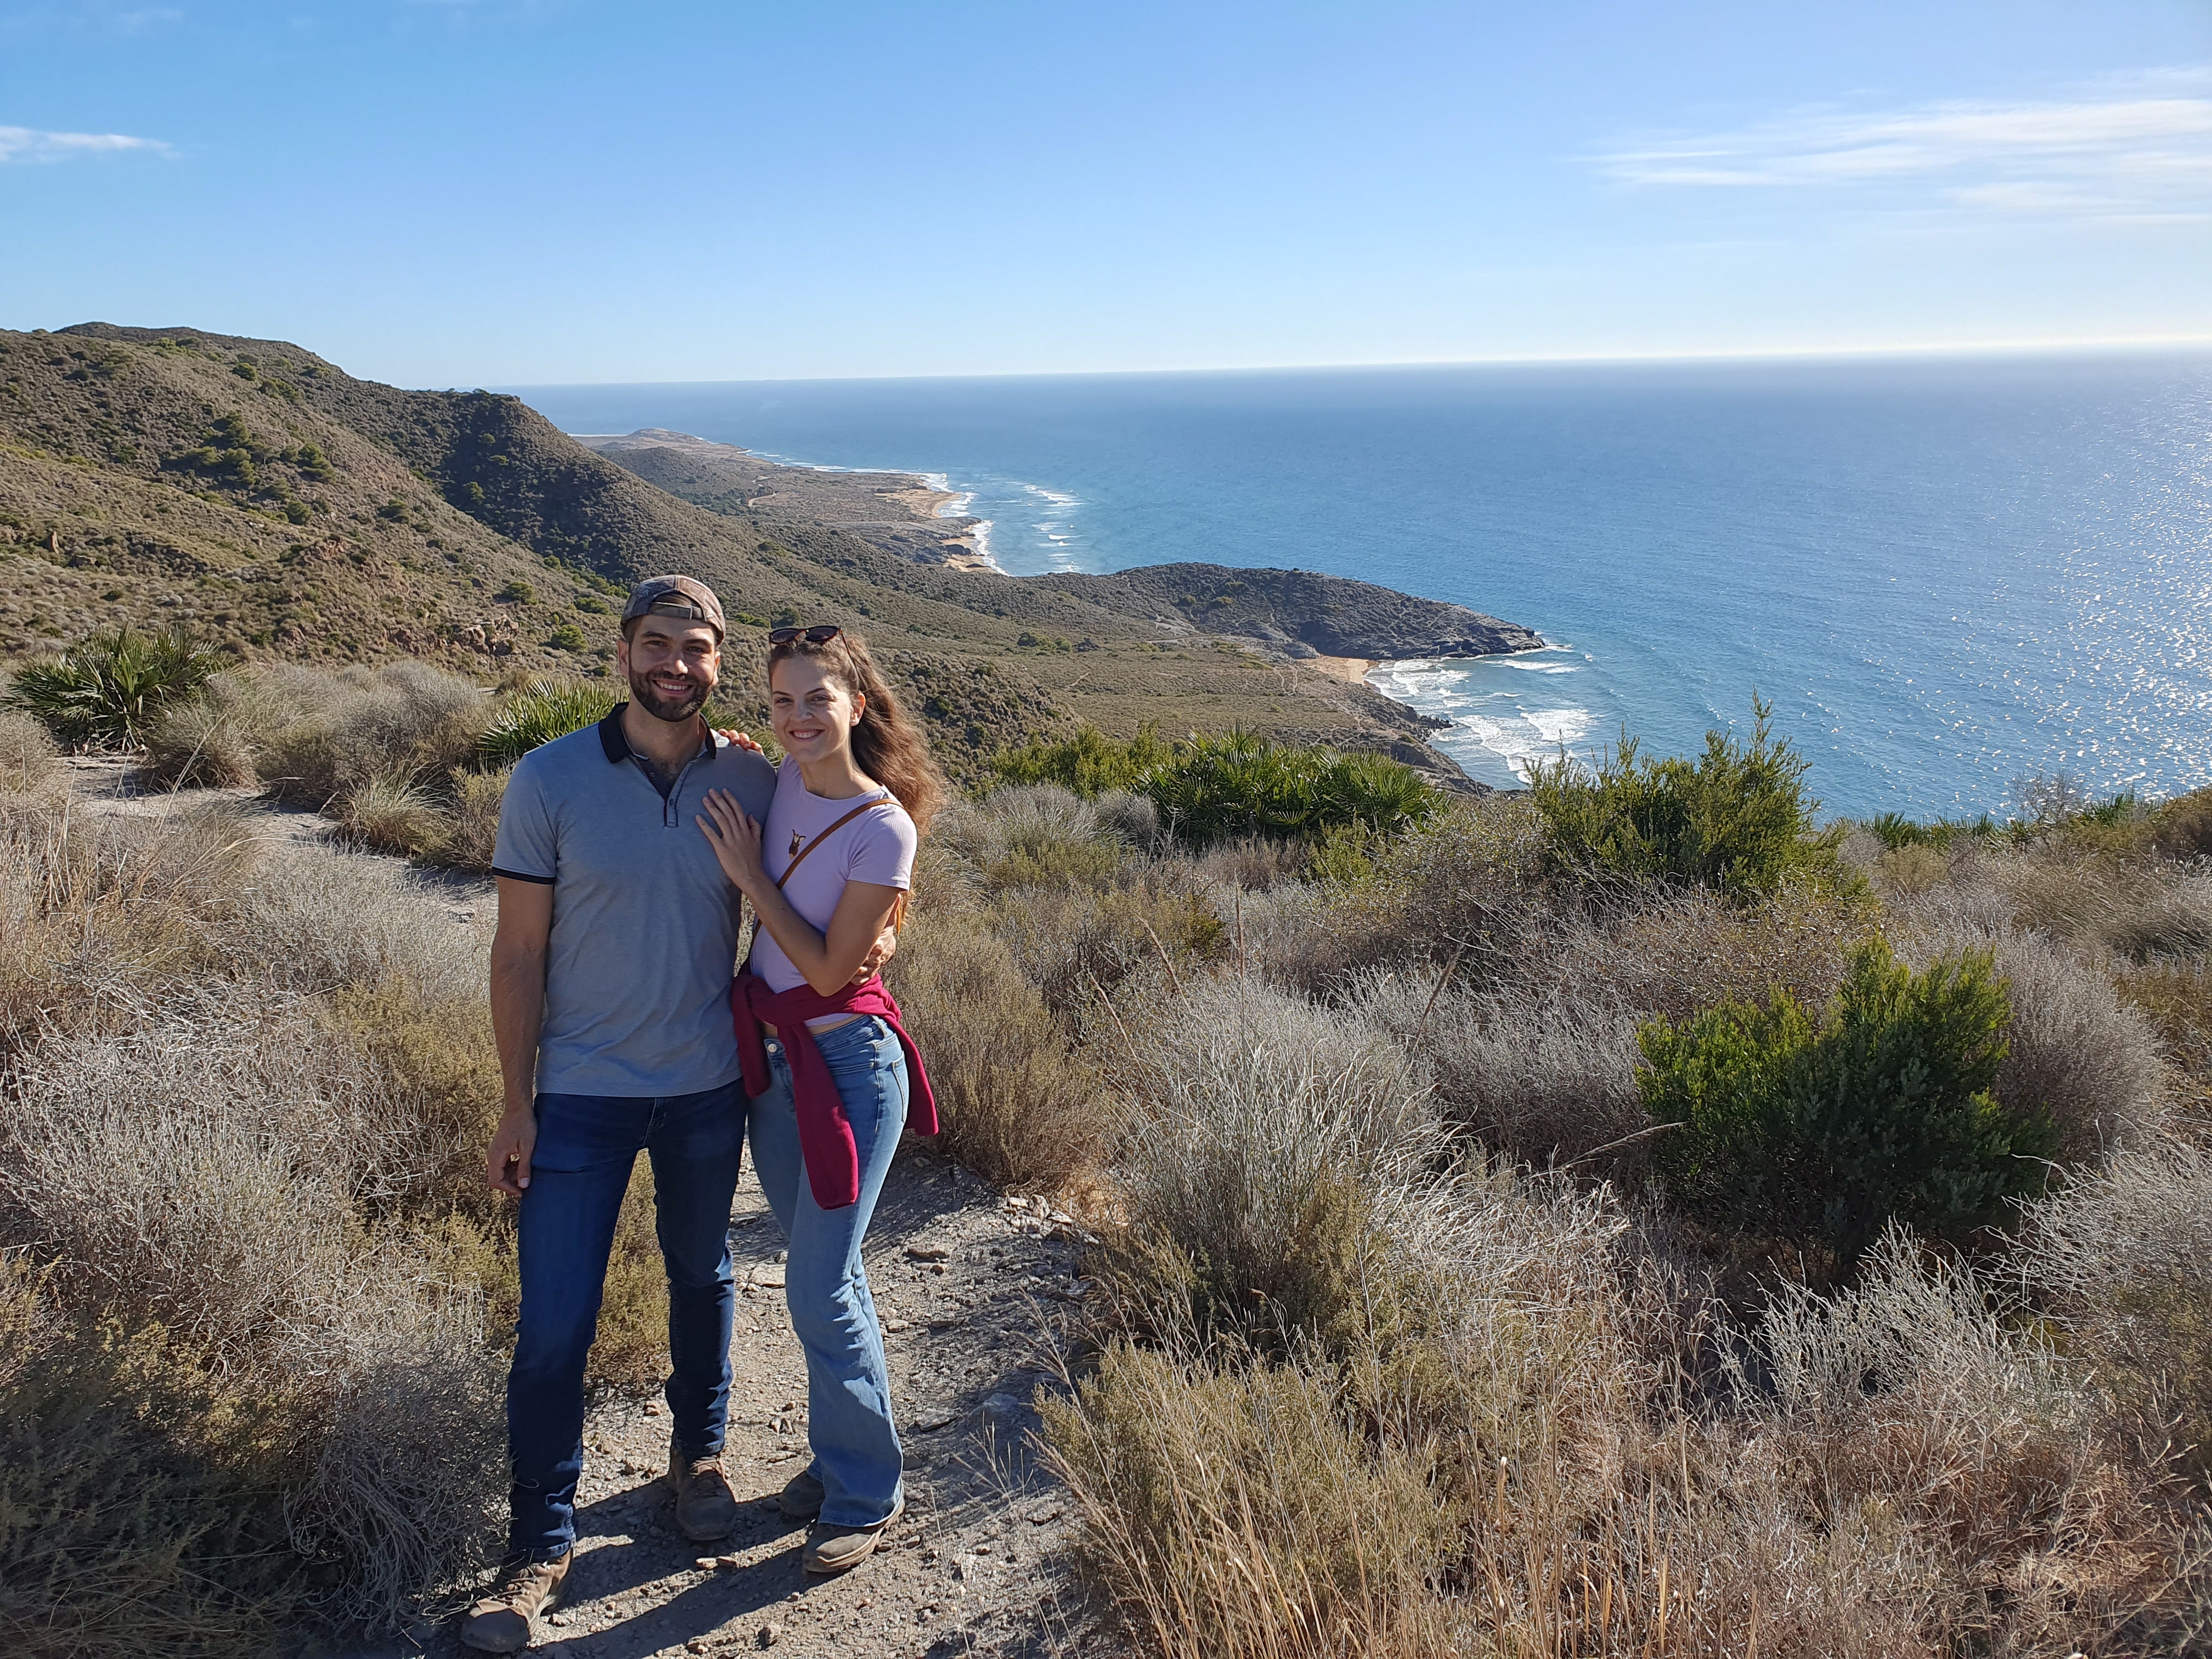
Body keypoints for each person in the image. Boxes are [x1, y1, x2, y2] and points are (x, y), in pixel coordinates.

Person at [460, 579, 890, 1654]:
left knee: (704, 1280)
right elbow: (517, 953)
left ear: (714, 664)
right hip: (582, 1095)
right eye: (659, 644)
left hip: (710, 1084)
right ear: (623, 652)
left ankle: (699, 1459)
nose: (676, 665)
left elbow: (861, 837)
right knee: (556, 1324)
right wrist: (515, 1101)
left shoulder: (751, 771)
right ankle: (537, 1550)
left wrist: (887, 937)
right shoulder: (549, 778)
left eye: (698, 649)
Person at [697, 622, 945, 1576]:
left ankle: (862, 1492)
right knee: (827, 1280)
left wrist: (751, 878)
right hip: (776, 1064)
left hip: (845, 1072)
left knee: (819, 1286)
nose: (799, 719)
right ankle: (841, 1452)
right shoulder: (780, 776)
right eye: (782, 701)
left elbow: (834, 968)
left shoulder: (887, 825)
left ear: (859, 704)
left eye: (818, 700)